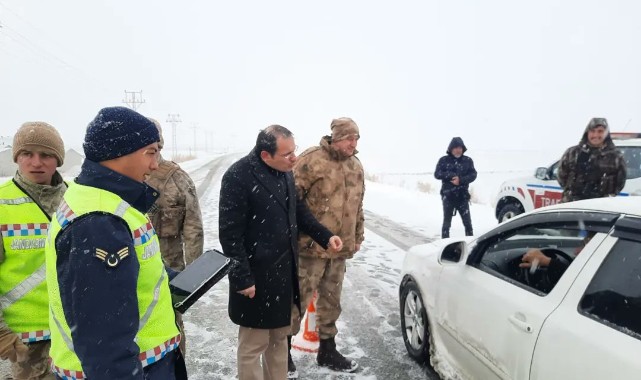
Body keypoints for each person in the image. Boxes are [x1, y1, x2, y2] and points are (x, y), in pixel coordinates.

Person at [44, 107, 187, 380]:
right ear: (119, 152)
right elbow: (103, 342)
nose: (155, 164)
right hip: (135, 369)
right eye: (151, 152)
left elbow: (130, 277)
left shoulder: (105, 200)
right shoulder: (99, 222)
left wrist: (174, 280)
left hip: (147, 363)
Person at [219, 125, 343, 380]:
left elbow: (299, 212)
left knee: (279, 341)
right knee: (253, 346)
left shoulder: (285, 173)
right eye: (287, 154)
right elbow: (230, 235)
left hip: (283, 274)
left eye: (294, 151)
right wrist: (242, 277)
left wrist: (325, 236)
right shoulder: (238, 176)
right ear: (266, 155)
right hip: (255, 277)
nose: (294, 158)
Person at [288, 117, 363, 377]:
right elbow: (291, 201)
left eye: (356, 139)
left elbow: (358, 205)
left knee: (332, 301)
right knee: (298, 300)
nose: (354, 144)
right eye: (349, 138)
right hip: (310, 248)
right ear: (336, 137)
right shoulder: (311, 160)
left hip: (339, 249)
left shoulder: (355, 166)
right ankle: (283, 353)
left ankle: (327, 350)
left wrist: (358, 234)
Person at [0, 122, 67, 380]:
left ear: (58, 160)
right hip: (28, 341)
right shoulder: (3, 203)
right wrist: (2, 335)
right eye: (27, 153)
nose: (36, 162)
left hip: (75, 331)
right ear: (17, 157)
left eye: (46, 154)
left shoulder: (75, 199)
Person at [145, 118, 204, 357]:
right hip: (129, 272)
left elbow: (193, 229)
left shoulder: (177, 179)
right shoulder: (119, 179)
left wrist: (194, 276)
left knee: (171, 330)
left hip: (169, 269)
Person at [557, 117, 626, 203]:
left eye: (600, 131)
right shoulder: (572, 153)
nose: (596, 135)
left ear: (606, 133)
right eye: (592, 131)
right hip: (571, 205)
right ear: (587, 132)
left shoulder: (615, 157)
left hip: (599, 208)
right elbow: (561, 177)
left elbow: (619, 183)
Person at [434, 137, 477, 238]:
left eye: (460, 147)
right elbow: (437, 174)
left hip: (463, 196)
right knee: (446, 224)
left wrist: (460, 180)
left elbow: (473, 175)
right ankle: (444, 244)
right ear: (451, 149)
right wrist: (449, 175)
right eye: (456, 148)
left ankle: (471, 246)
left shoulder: (468, 160)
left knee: (468, 224)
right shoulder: (443, 160)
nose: (458, 150)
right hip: (448, 196)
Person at [520, 231, 596, 286]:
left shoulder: (595, 279)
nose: (575, 252)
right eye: (582, 244)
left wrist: (547, 262)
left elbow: (578, 283)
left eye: (586, 246)